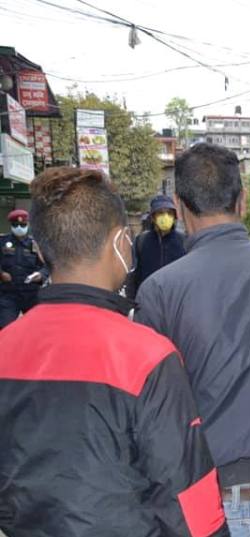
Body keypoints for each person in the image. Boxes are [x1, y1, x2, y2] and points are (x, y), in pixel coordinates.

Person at [0, 167, 228, 536]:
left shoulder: (5, 347)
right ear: (123, 242)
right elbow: (190, 501)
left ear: (40, 250)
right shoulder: (148, 357)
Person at [134, 143, 250, 535]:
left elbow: (154, 411)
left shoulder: (159, 290)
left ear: (178, 204)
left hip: (203, 501)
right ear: (241, 200)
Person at [126, 194, 186, 299]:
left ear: (174, 216)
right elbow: (134, 275)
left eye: (169, 213)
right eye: (161, 213)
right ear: (153, 217)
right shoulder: (141, 241)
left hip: (175, 301)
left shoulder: (184, 242)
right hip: (148, 300)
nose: (165, 217)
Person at [0, 209, 48, 328]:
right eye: (16, 225)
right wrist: (0, 273)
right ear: (11, 225)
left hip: (31, 294)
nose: (19, 227)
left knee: (35, 329)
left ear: (28, 225)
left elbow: (46, 266)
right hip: (9, 293)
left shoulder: (36, 244)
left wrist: (41, 275)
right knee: (5, 327)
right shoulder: (2, 242)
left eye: (23, 225)